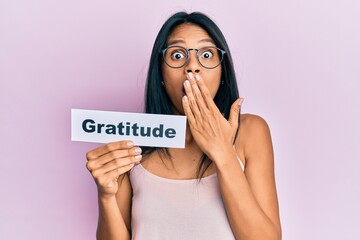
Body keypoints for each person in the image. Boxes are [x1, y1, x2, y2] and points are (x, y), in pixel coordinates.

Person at [85, 11, 282, 240]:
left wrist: (223, 152)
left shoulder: (250, 130)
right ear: (160, 71)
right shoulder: (133, 141)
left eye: (206, 54)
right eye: (177, 55)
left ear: (223, 71)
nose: (192, 67)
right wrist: (106, 196)